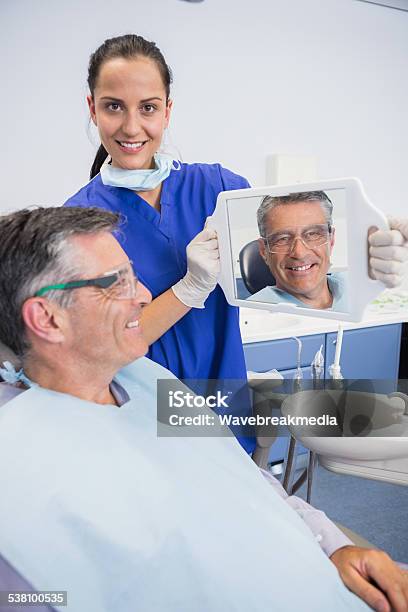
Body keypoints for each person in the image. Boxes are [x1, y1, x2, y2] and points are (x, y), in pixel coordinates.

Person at [0, 206, 407, 612]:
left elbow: (243, 476)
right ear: (47, 317)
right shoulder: (23, 462)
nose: (143, 295)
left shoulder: (146, 379)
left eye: (134, 275)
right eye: (117, 282)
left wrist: (331, 545)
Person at [64, 34, 255, 453]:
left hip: (224, 410)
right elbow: (106, 347)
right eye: (114, 106)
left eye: (148, 107)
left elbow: (289, 266)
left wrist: (362, 250)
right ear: (92, 109)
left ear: (167, 112)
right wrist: (189, 289)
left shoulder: (220, 188)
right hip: (141, 424)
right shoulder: (76, 222)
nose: (132, 127)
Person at [247, 191, 348, 310]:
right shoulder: (249, 315)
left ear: (331, 240)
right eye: (283, 239)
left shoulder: (360, 288)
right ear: (264, 250)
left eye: (312, 234)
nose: (299, 253)